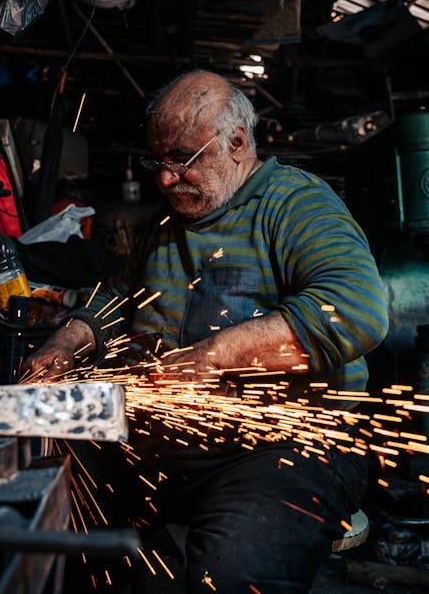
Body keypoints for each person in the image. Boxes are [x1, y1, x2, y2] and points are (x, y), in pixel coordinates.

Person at [23, 70, 388, 593]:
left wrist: (215, 355)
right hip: (162, 446)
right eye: (159, 162)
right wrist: (69, 337)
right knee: (48, 487)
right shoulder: (165, 225)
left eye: (184, 159)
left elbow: (355, 310)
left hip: (283, 451)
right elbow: (120, 293)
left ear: (237, 142)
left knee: (231, 574)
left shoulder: (295, 204)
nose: (166, 179)